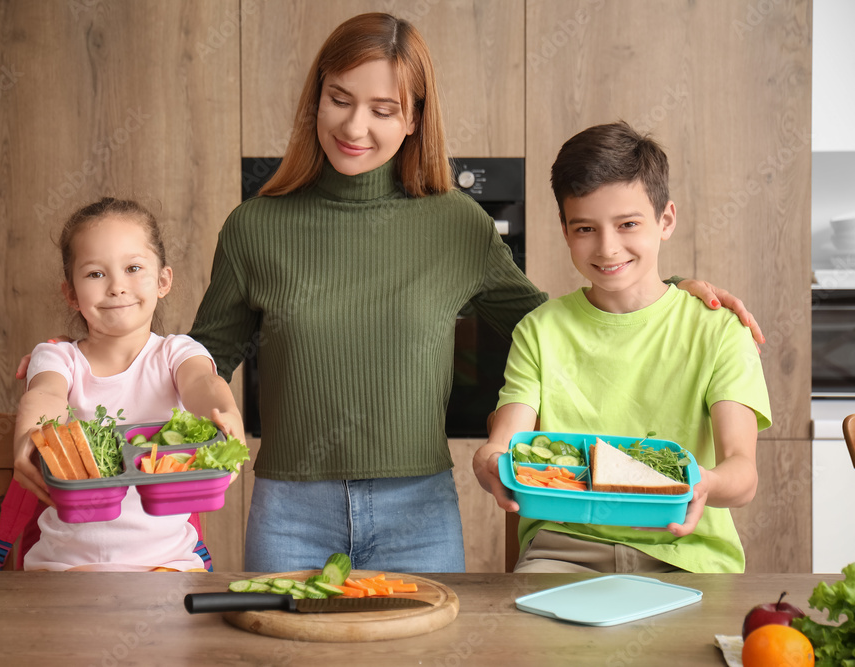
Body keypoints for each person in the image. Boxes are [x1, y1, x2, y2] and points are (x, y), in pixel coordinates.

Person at [186, 13, 764, 573]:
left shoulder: (457, 224)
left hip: (417, 511)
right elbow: (203, 355)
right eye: (340, 99)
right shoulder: (254, 227)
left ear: (414, 118)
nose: (355, 127)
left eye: (384, 109)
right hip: (290, 511)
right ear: (316, 98)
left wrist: (667, 291)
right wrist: (206, 391)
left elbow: (553, 321)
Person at [472, 121, 772, 574]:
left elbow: (743, 474)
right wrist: (489, 462)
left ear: (665, 220)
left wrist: (702, 483)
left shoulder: (719, 330)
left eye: (628, 224)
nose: (608, 248)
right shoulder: (540, 331)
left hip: (686, 552)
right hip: (563, 551)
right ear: (564, 228)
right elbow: (504, 442)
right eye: (586, 228)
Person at [12, 197, 245, 571]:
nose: (117, 286)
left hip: (168, 566)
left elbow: (204, 382)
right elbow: (45, 395)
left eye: (133, 268)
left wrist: (227, 414)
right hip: (65, 568)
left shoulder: (177, 353)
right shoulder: (58, 357)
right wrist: (30, 431)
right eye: (95, 274)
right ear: (71, 293)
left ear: (163, 281)